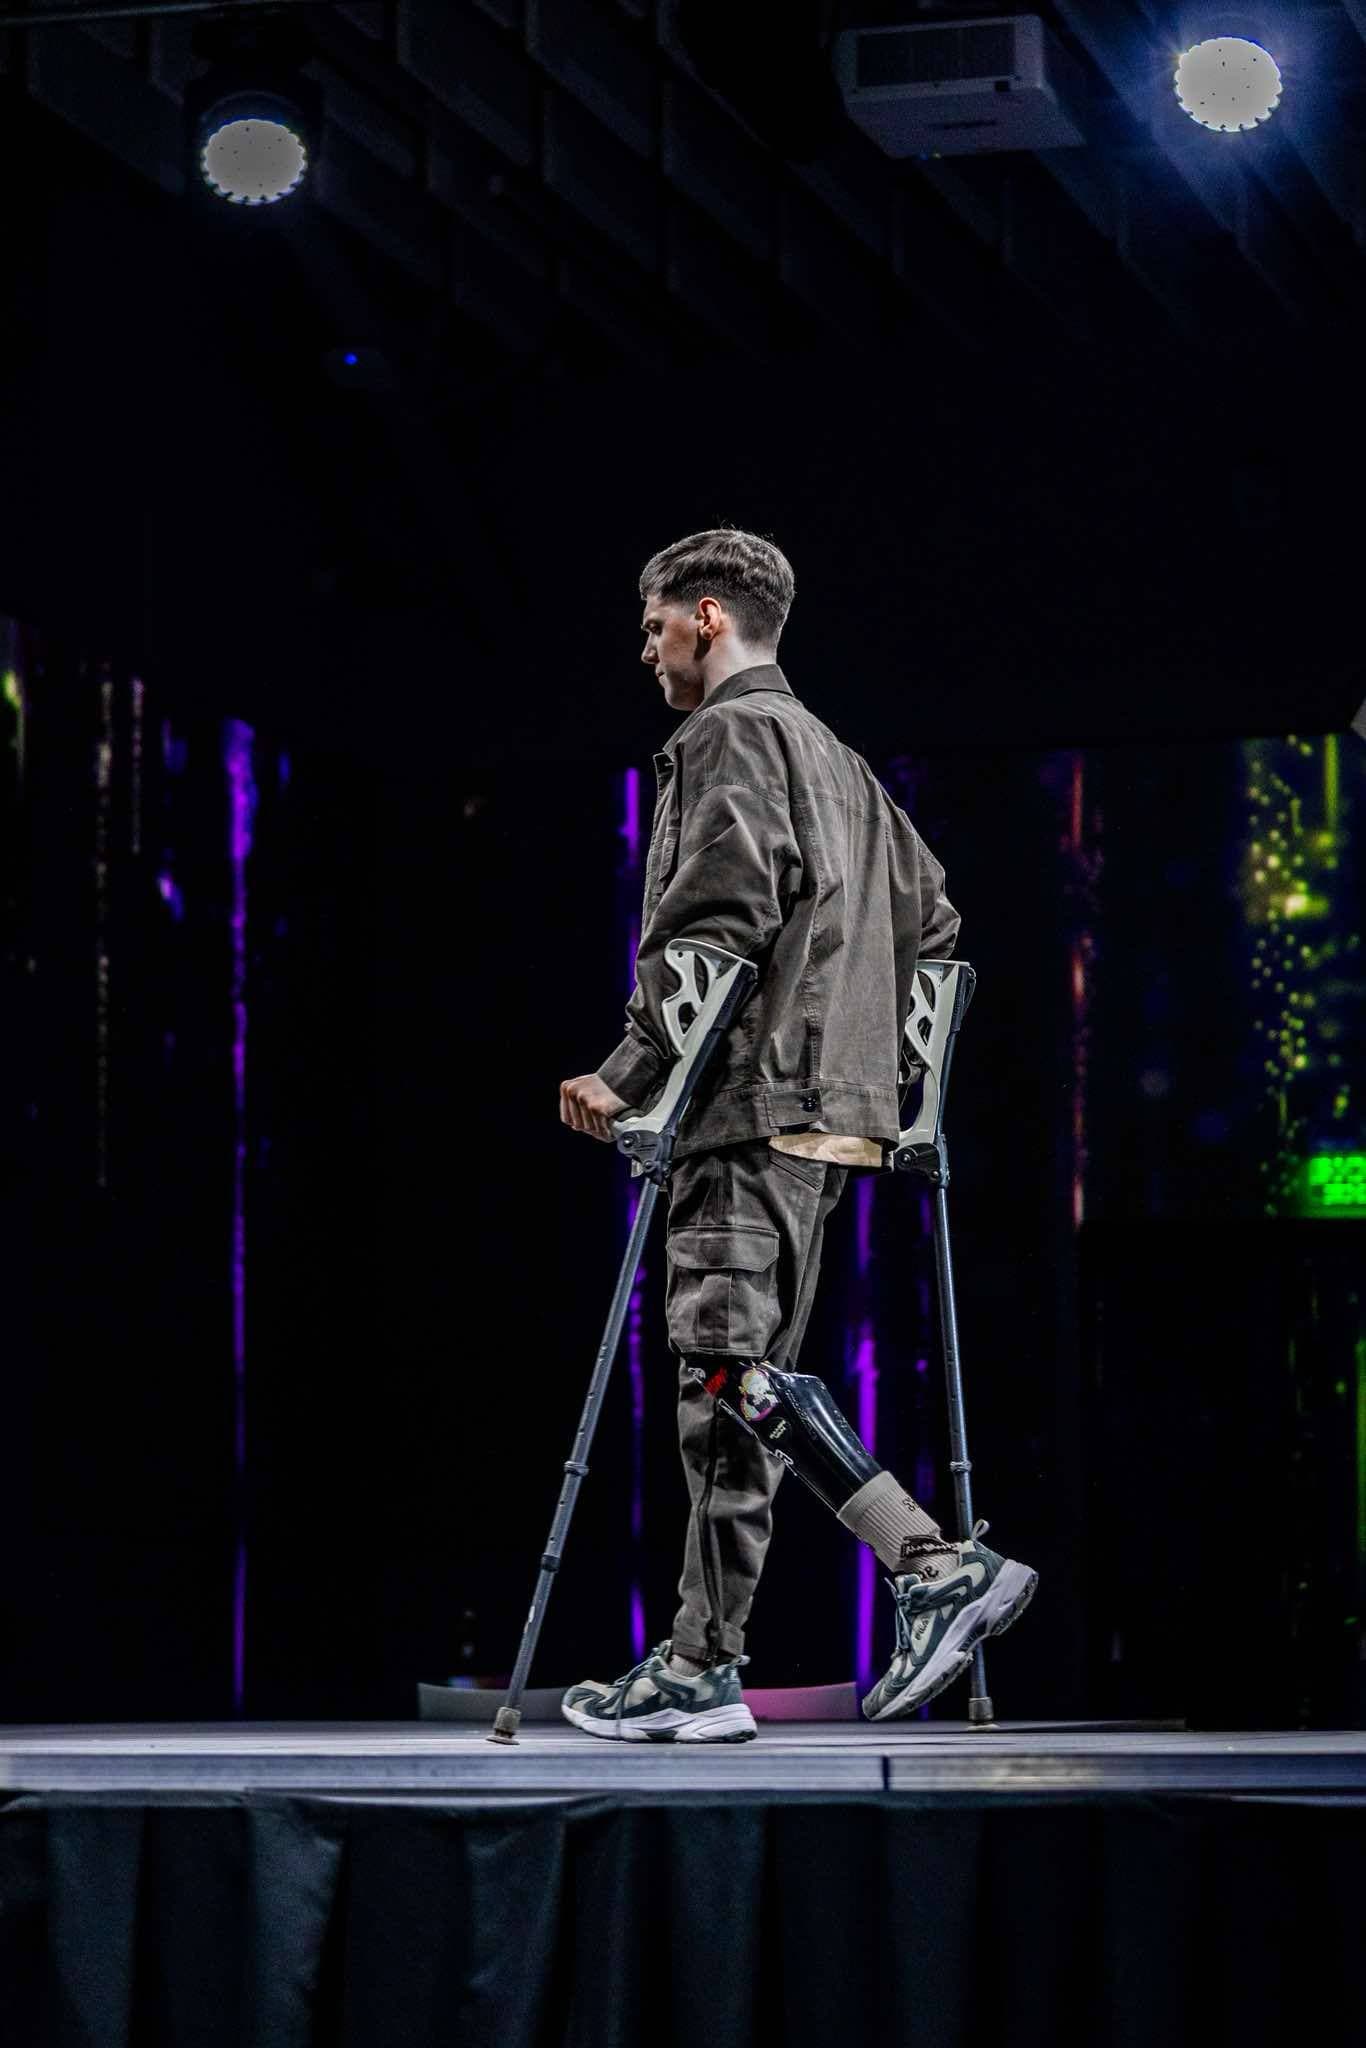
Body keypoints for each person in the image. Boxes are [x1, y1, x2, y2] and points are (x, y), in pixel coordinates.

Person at [557, 527, 1036, 1742]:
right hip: (825, 1121)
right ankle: (701, 1663)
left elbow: (717, 917)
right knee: (736, 1385)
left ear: (708, 615)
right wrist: (901, 1100)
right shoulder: (839, 758)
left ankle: (930, 1562)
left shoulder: (728, 735)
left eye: (657, 623)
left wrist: (627, 1074)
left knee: (724, 1370)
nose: (649, 648)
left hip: (749, 1109)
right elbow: (936, 926)